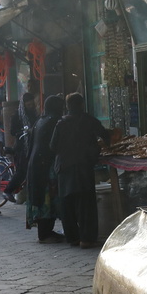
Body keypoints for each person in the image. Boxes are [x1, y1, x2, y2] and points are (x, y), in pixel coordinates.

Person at [50, 92, 110, 249]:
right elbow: (105, 135)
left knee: (67, 204)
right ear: (82, 104)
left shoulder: (61, 123)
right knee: (86, 204)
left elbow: (53, 146)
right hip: (83, 166)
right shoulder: (88, 120)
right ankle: (87, 239)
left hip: (64, 168)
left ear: (68, 106)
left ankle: (73, 238)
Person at [27, 95, 65, 244]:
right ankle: (45, 234)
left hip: (35, 165)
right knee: (47, 199)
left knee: (41, 198)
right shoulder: (54, 121)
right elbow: (55, 145)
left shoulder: (40, 120)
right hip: (45, 166)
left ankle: (46, 232)